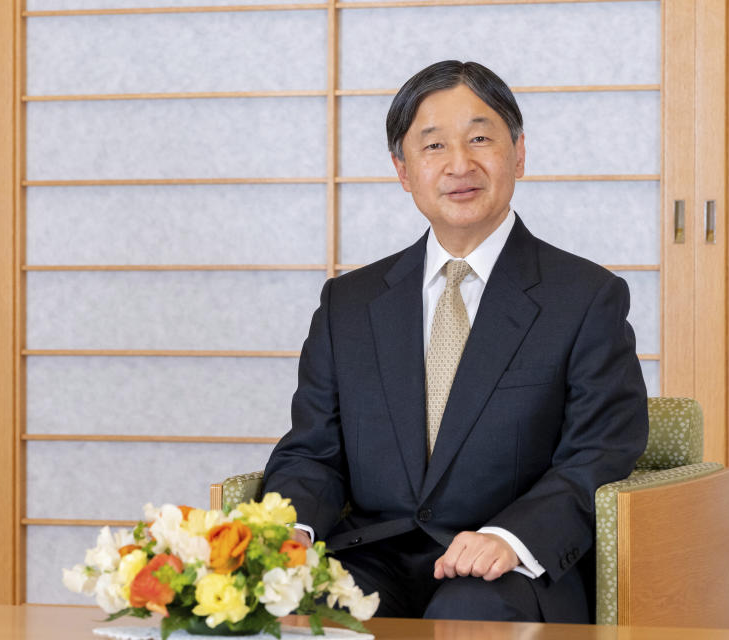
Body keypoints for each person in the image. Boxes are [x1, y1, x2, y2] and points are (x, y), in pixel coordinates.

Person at [263, 60, 648, 623]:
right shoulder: (349, 304)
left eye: (480, 139)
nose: (459, 165)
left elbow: (601, 451)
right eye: (434, 145)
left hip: (508, 571)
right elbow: (311, 451)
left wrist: (510, 538)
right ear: (403, 169)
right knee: (307, 607)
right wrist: (290, 529)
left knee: (468, 611)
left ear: (518, 153)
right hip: (373, 560)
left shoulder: (586, 297)